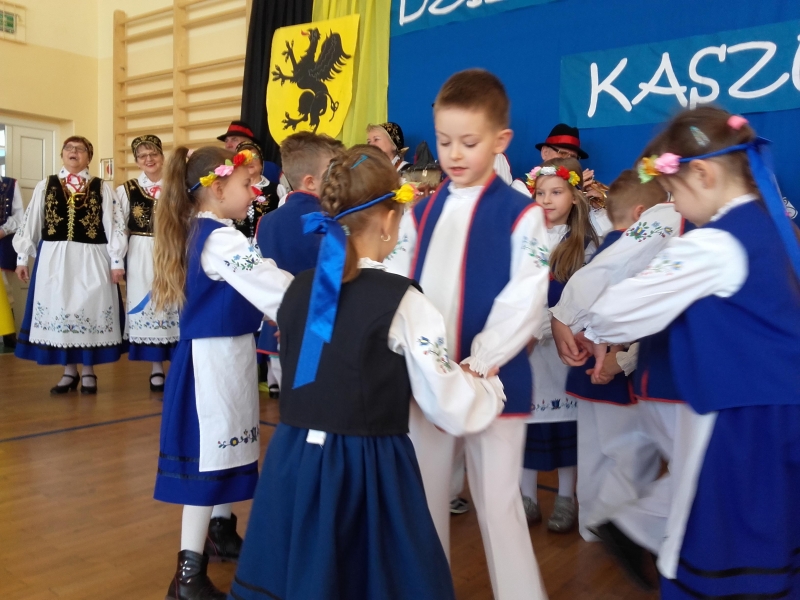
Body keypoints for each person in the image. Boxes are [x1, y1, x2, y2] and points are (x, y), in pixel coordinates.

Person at [230, 145, 505, 600]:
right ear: (389, 220)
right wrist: (486, 385)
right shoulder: (403, 302)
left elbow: (318, 376)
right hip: (365, 466)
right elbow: (449, 405)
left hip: (293, 461)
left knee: (304, 575)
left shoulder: (298, 290)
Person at [578, 107, 800, 599]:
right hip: (782, 419)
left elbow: (614, 310)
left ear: (703, 174)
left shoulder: (714, 244)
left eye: (672, 191)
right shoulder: (774, 226)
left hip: (741, 427)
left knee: (717, 553)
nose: (674, 204)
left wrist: (595, 325)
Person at [402, 69, 550, 600]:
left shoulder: (522, 214)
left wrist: (482, 359)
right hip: (427, 382)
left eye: (468, 141)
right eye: (444, 142)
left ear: (500, 140)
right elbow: (398, 289)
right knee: (423, 504)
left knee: (499, 505)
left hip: (493, 382)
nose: (454, 154)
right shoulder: (418, 214)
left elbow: (526, 296)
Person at [151, 146, 293, 600]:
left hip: (226, 354)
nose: (255, 193)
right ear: (216, 188)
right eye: (247, 185)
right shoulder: (220, 239)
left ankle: (220, 529)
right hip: (211, 363)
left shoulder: (206, 230)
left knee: (228, 448)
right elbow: (271, 284)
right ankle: (187, 576)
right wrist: (318, 298)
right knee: (208, 461)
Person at [561, 171, 669, 569]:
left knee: (593, 451)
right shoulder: (639, 255)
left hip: (584, 371)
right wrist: (619, 360)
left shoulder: (598, 252)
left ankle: (591, 524)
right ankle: (617, 525)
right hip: (616, 372)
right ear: (643, 215)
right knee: (630, 453)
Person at [13, 136, 127, 394]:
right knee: (61, 309)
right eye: (69, 148)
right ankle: (69, 371)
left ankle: (88, 372)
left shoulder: (101, 187)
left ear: (89, 157)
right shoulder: (46, 185)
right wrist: (21, 258)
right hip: (54, 259)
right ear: (62, 154)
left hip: (92, 258)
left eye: (80, 149)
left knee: (89, 309)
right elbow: (30, 222)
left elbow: (115, 225)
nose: (74, 152)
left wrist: (116, 261)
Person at [520, 159, 598, 533]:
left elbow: (584, 299)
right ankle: (526, 497)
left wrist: (551, 329)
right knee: (527, 424)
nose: (547, 200)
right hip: (528, 349)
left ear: (574, 196)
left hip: (565, 351)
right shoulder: (523, 239)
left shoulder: (583, 245)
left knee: (567, 423)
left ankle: (566, 497)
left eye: (556, 192)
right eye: (540, 193)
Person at [254, 132, 342, 396]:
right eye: (332, 173)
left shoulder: (266, 222)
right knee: (319, 401)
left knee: (292, 402)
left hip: (281, 327)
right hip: (323, 332)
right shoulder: (330, 221)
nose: (338, 179)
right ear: (311, 181)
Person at [117, 134, 178, 392]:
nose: (149, 159)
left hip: (172, 249)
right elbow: (120, 228)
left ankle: (177, 366)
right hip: (140, 252)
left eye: (153, 154)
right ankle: (156, 368)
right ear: (136, 161)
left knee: (173, 303)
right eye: (142, 156)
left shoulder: (177, 186)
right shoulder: (127, 189)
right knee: (149, 304)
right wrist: (117, 260)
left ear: (162, 157)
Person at [515, 124, 612, 236]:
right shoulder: (521, 186)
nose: (567, 160)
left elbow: (603, 234)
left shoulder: (579, 191)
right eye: (562, 153)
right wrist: (570, 189)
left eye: (573, 157)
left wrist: (597, 209)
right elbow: (528, 222)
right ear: (545, 152)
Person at [231, 140, 279, 242]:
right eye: (244, 157)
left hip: (268, 243)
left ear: (261, 163)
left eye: (254, 156)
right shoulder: (231, 190)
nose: (250, 161)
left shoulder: (277, 189)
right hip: (239, 245)